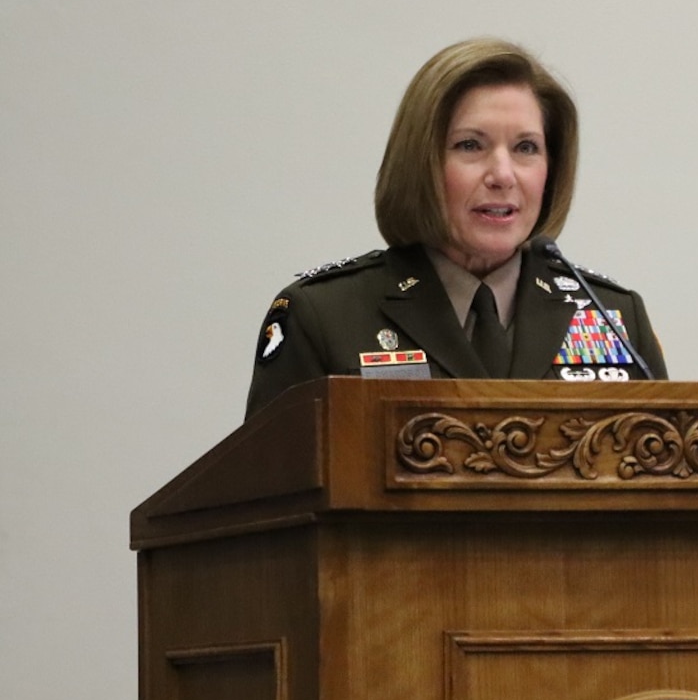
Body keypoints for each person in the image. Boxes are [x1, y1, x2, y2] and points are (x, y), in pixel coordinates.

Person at [246, 37, 667, 418]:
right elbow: (270, 493)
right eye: (471, 145)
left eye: (526, 148)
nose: (503, 175)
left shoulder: (614, 317)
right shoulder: (325, 316)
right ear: (421, 163)